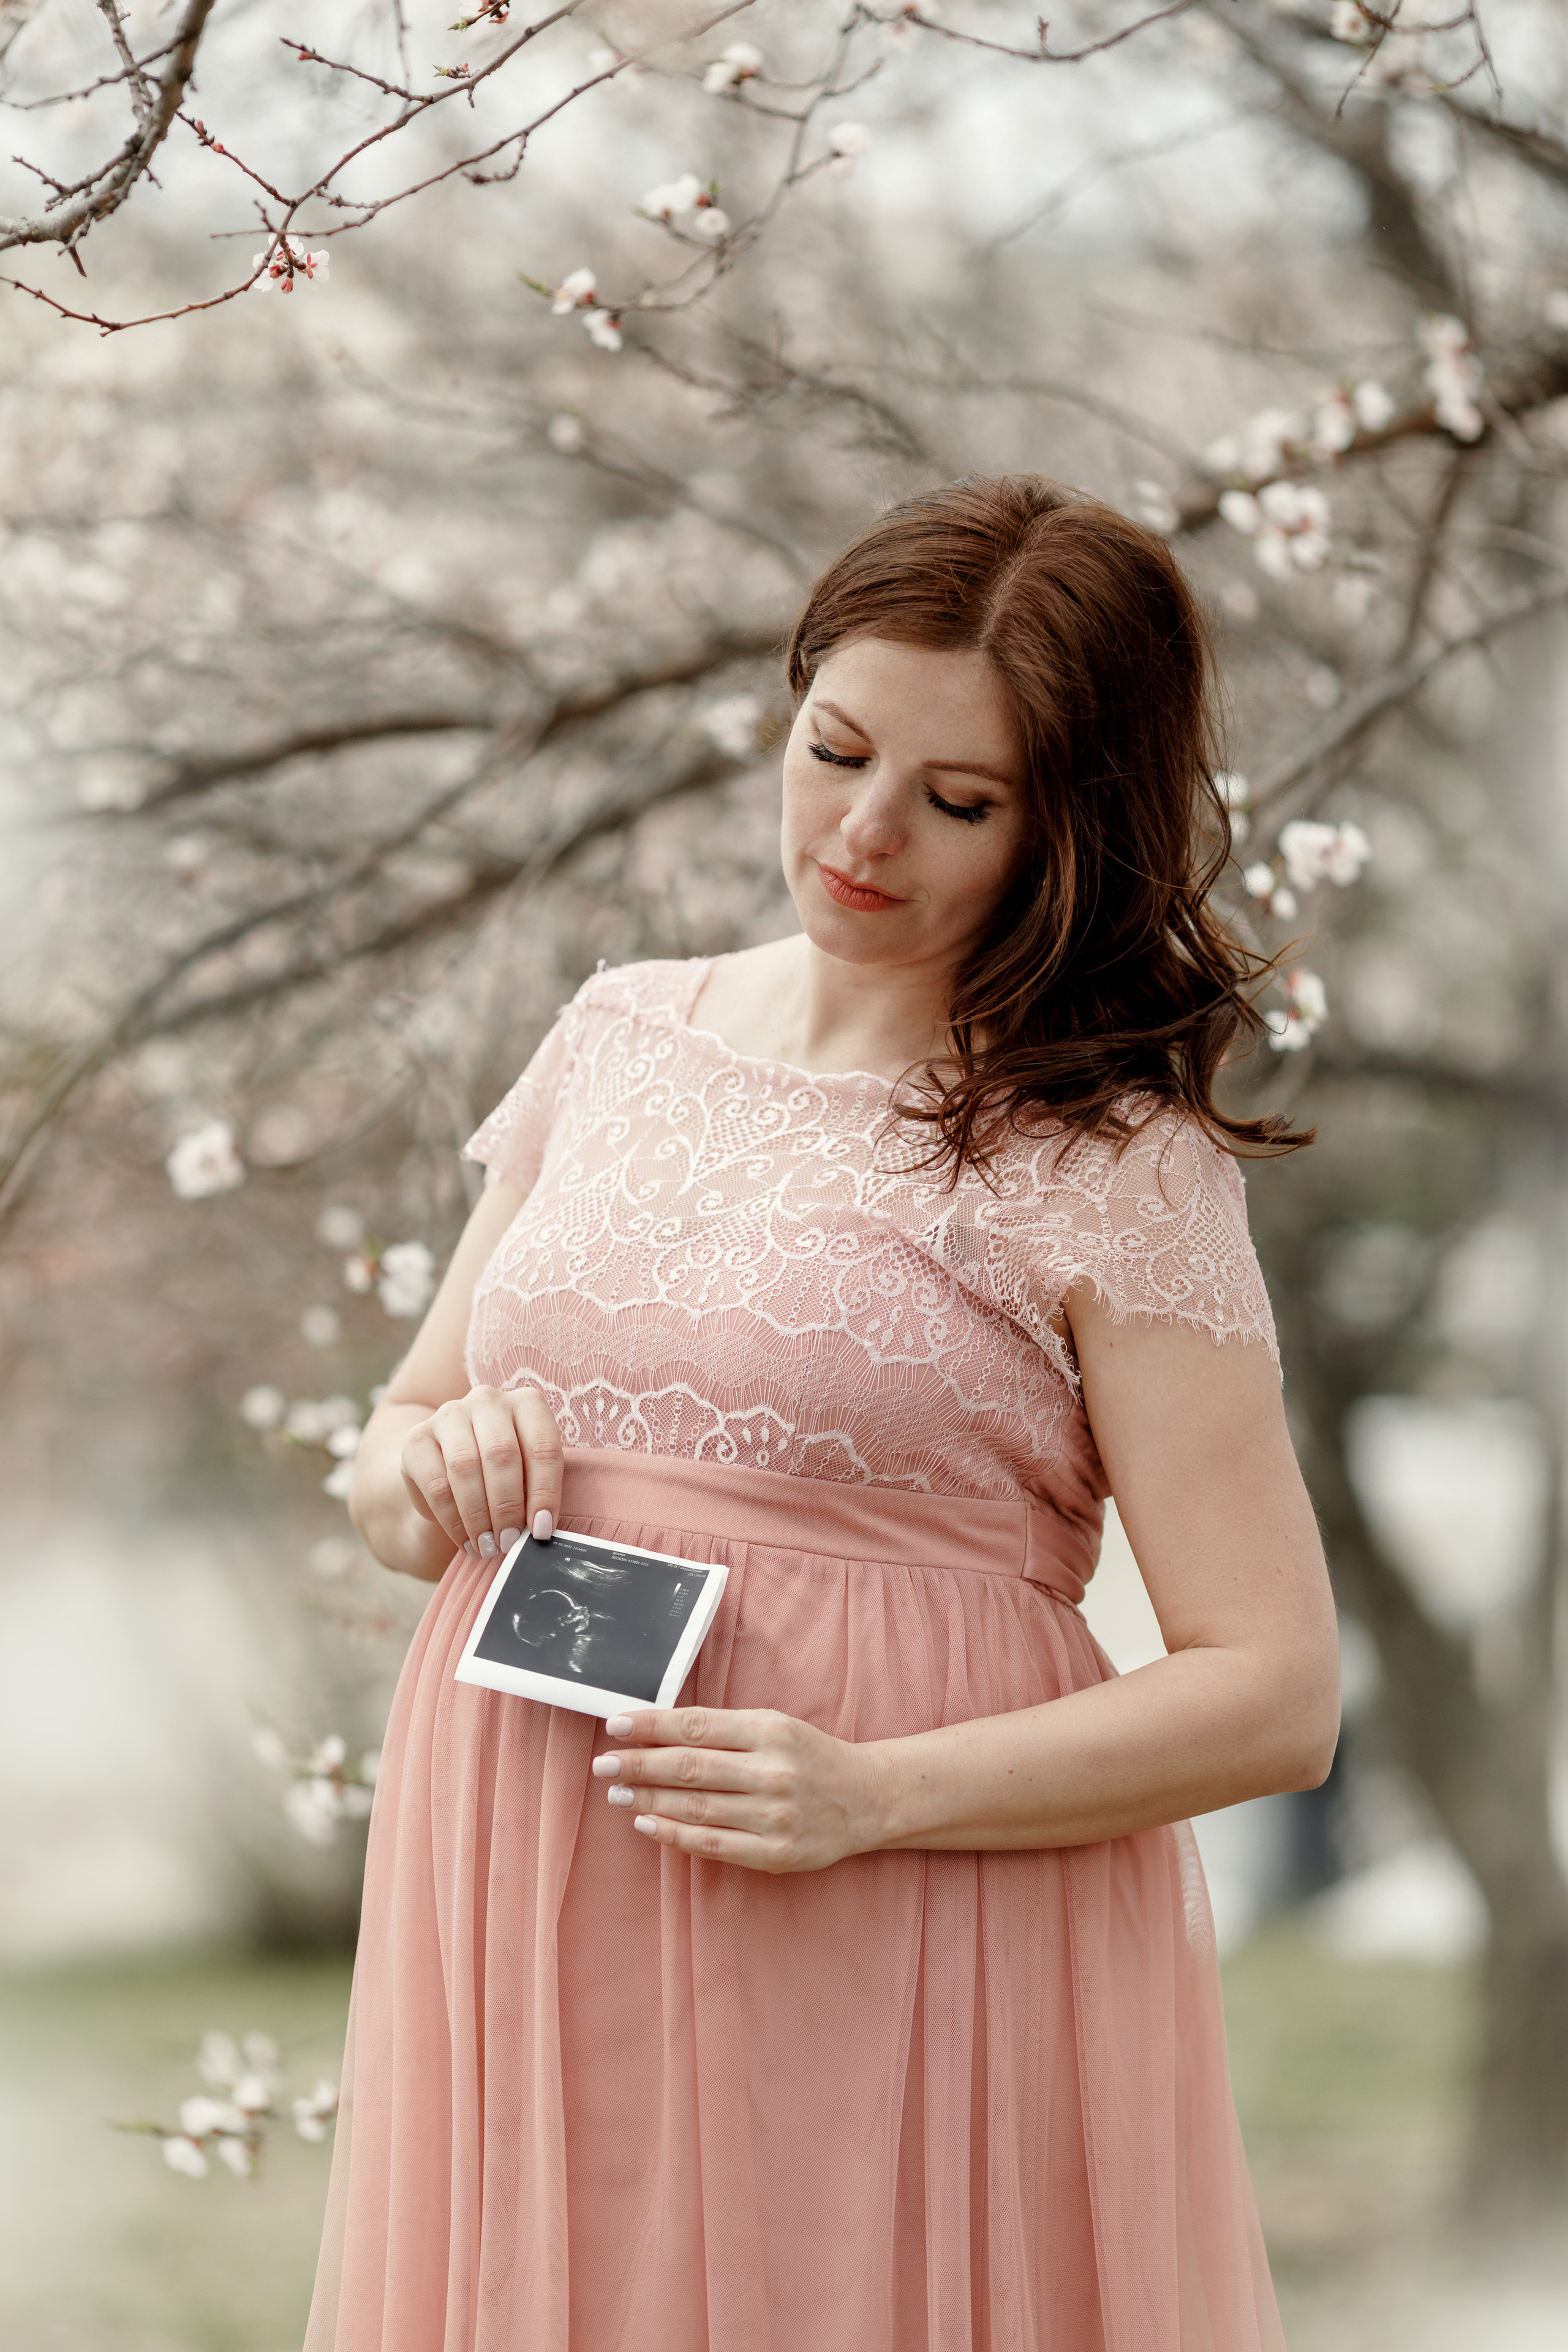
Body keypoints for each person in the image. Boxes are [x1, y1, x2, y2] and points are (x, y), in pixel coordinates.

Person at [304, 476, 1340, 2352]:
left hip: (891, 1906)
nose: (862, 835)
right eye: (833, 750)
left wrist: (873, 1799)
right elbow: (394, 1448)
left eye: (957, 802)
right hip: (526, 1862)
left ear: (1068, 830)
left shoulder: (1115, 1165)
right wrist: (422, 1468)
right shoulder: (620, 1034)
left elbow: (1276, 1690)